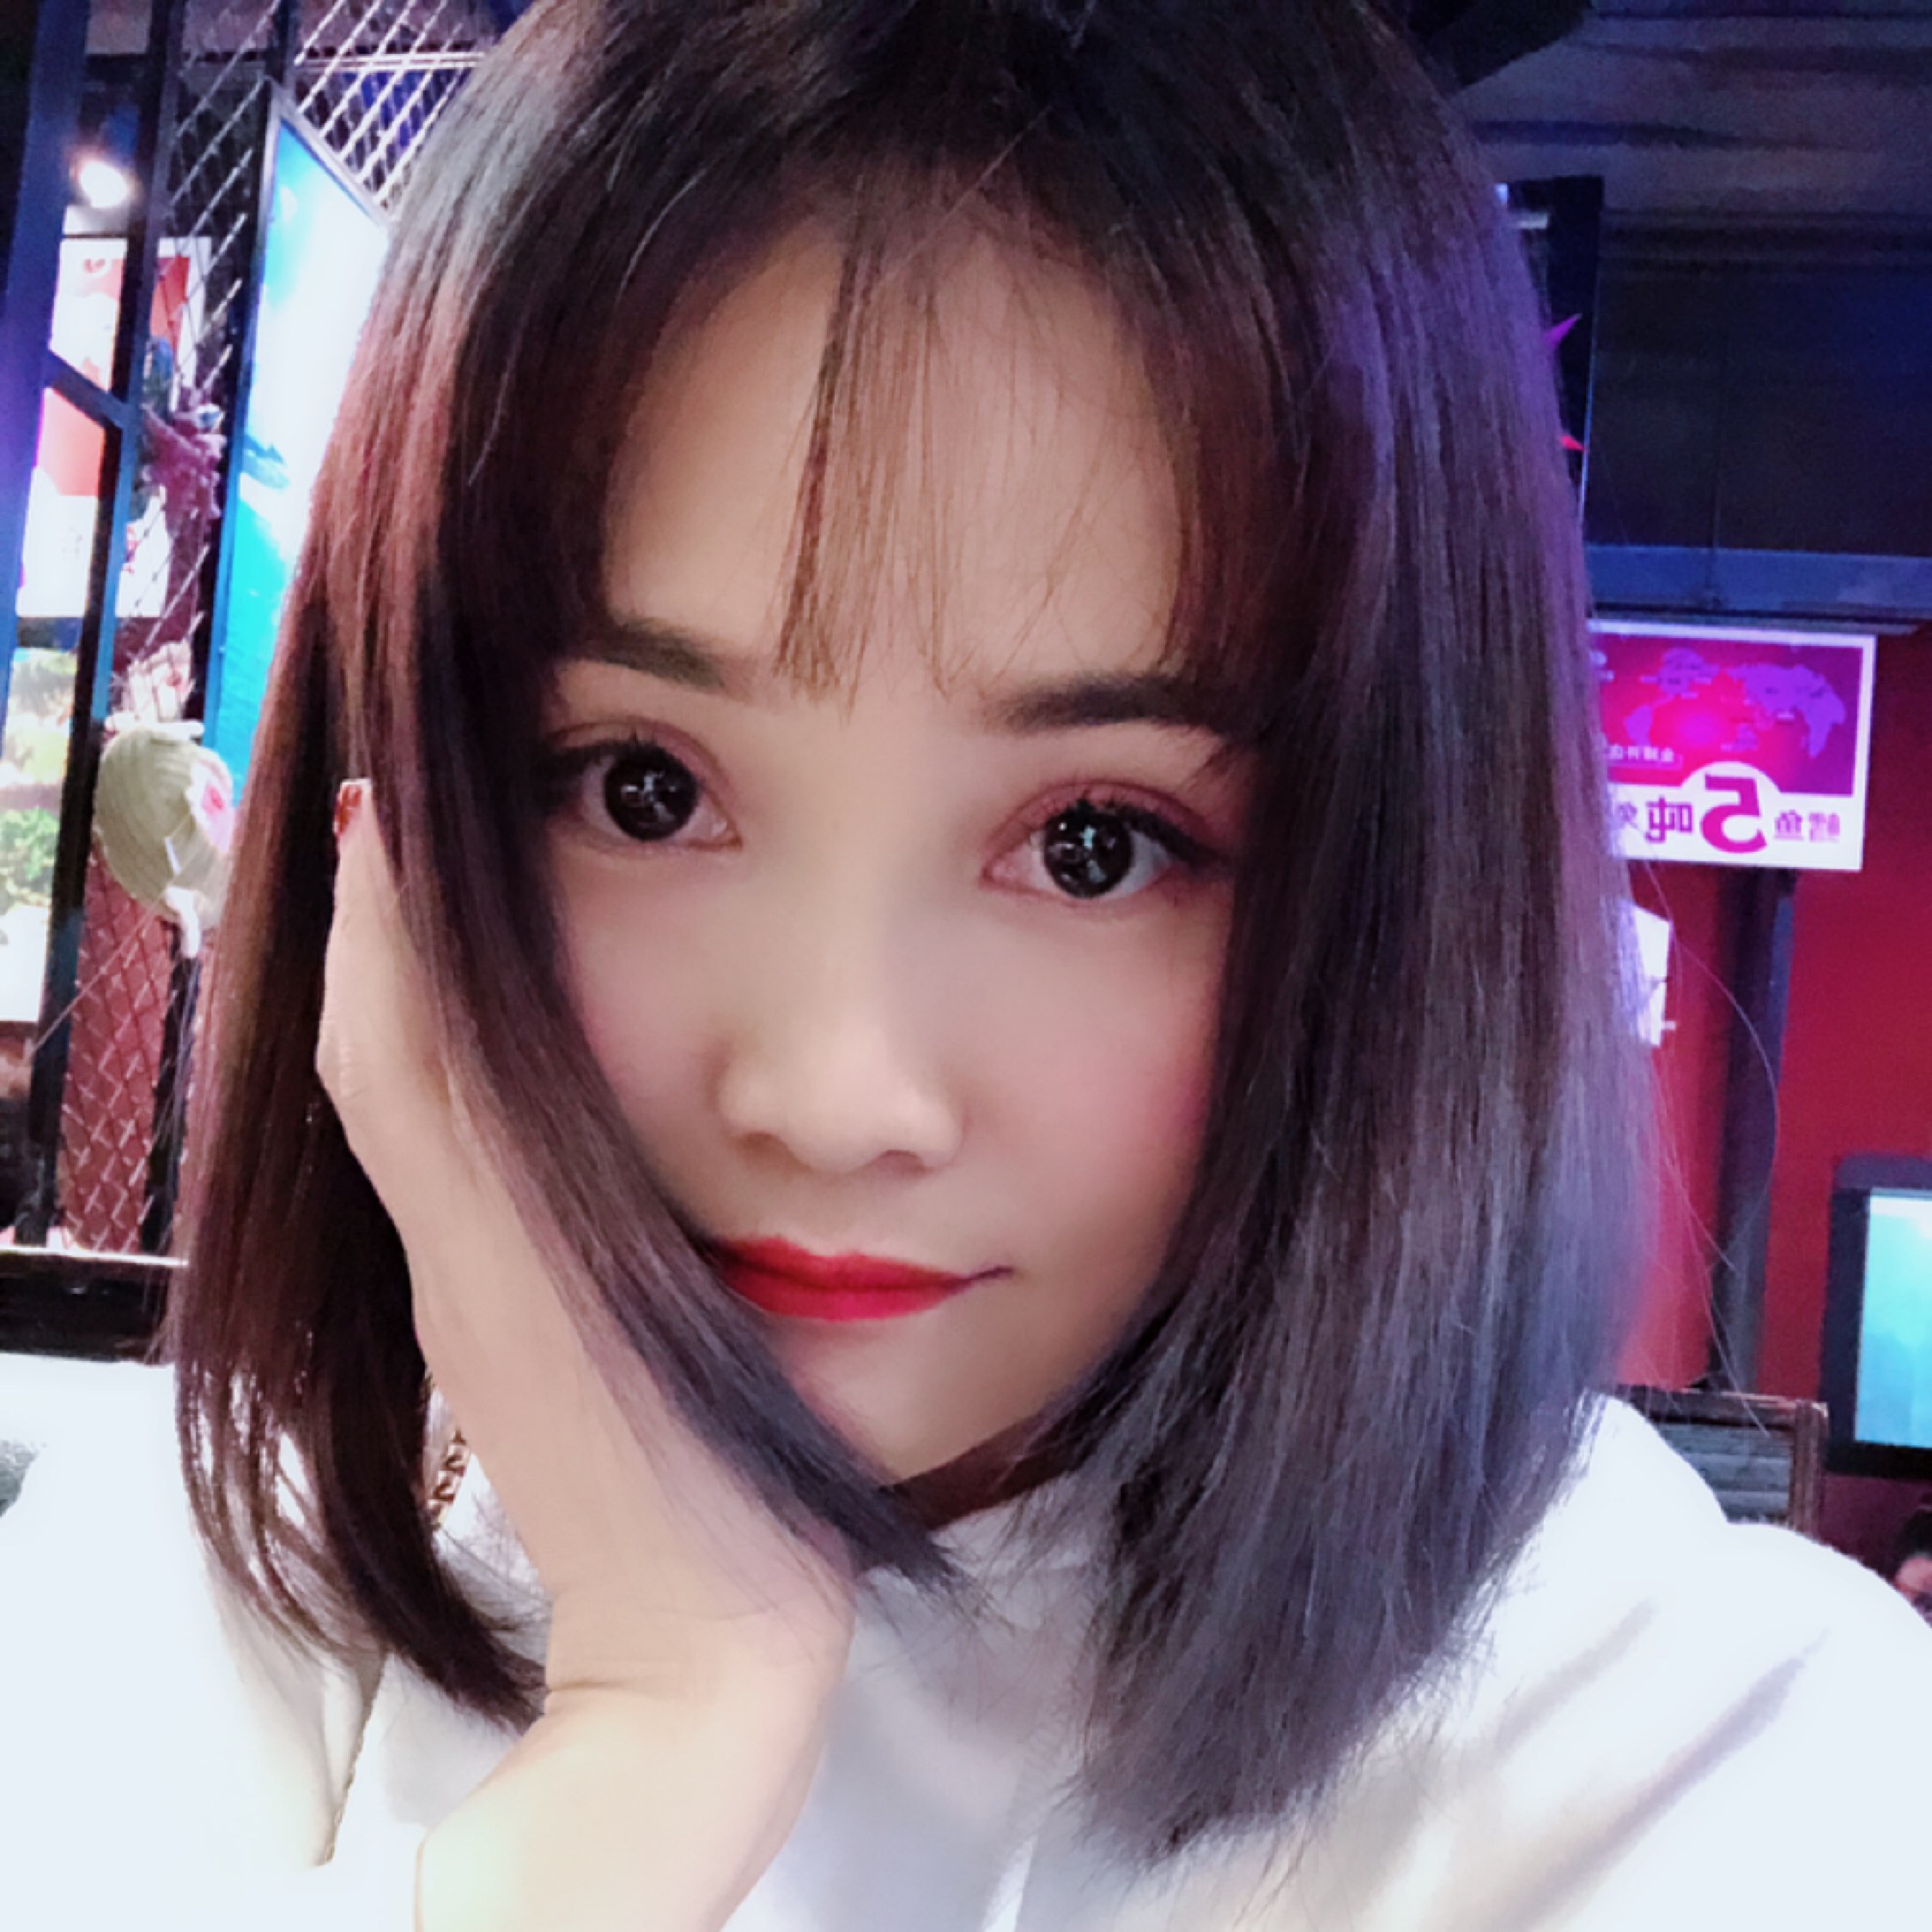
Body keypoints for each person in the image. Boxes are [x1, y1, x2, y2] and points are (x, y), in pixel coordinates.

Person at [3, 2, 1929, 1927]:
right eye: (645, 789)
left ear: (1395, 902)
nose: (834, 1093)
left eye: (1095, 844)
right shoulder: (208, 1571)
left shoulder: (1722, 1763)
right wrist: (655, 1738)